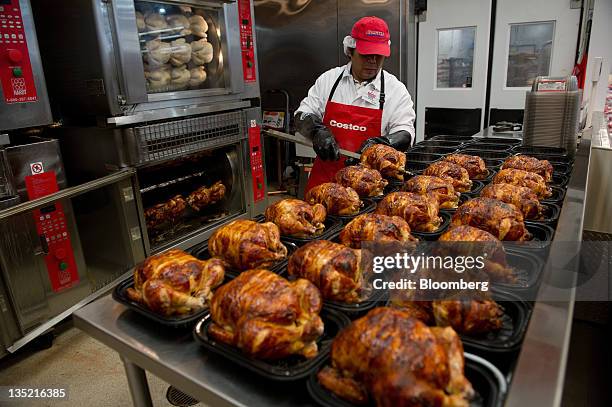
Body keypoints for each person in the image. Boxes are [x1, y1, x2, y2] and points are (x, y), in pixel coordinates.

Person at [295, 16, 416, 191]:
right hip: (324, 184)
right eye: (366, 54)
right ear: (350, 50)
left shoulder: (395, 90)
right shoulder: (329, 80)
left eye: (379, 55)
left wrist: (382, 144)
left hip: (369, 187)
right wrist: (316, 132)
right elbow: (302, 114)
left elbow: (405, 133)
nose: (373, 61)